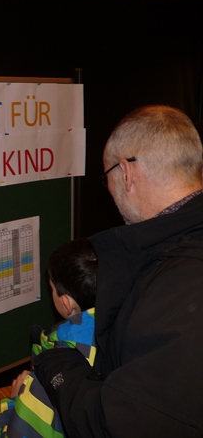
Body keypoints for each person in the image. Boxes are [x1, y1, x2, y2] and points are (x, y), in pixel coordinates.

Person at [32, 105, 203, 437]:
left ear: (125, 173)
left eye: (106, 177)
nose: (109, 189)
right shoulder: (175, 254)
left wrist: (56, 364)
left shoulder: (180, 283)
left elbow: (115, 423)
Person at [0, 238, 98, 438]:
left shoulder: (53, 369)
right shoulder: (130, 330)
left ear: (66, 303)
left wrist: (13, 401)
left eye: (52, 290)